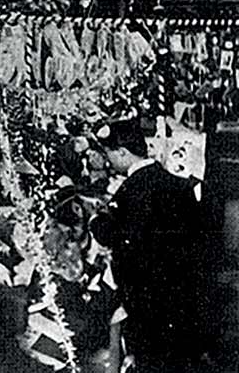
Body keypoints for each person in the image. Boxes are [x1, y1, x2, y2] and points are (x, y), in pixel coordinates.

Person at [90, 119, 211, 372]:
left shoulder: (134, 189)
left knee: (155, 362)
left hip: (150, 303)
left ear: (122, 152)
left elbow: (121, 238)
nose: (108, 161)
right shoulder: (172, 180)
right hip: (183, 295)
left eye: (109, 154)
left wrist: (95, 219)